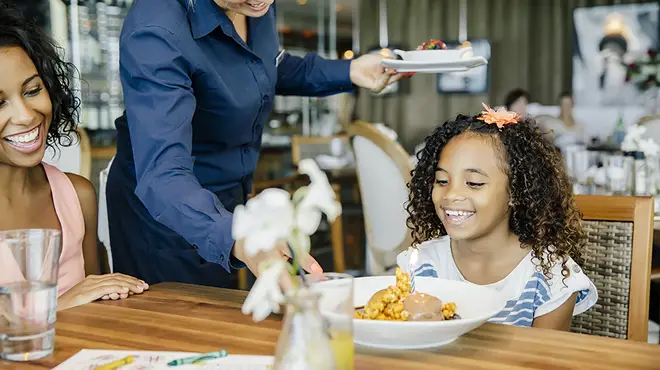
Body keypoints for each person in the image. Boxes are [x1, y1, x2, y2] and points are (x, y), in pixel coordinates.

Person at [107, 0, 405, 287]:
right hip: (170, 217)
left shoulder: (253, 5)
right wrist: (238, 238)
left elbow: (262, 66)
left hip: (231, 206)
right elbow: (163, 175)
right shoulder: (156, 31)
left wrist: (350, 70)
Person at [0, 5, 149, 311]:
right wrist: (58, 305)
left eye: (32, 90)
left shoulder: (77, 197)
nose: (26, 116)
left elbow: (98, 308)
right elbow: (74, 300)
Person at [398, 103, 597, 330]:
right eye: (442, 181)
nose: (451, 194)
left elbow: (544, 362)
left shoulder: (551, 278)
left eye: (474, 183)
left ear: (516, 192)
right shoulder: (420, 266)